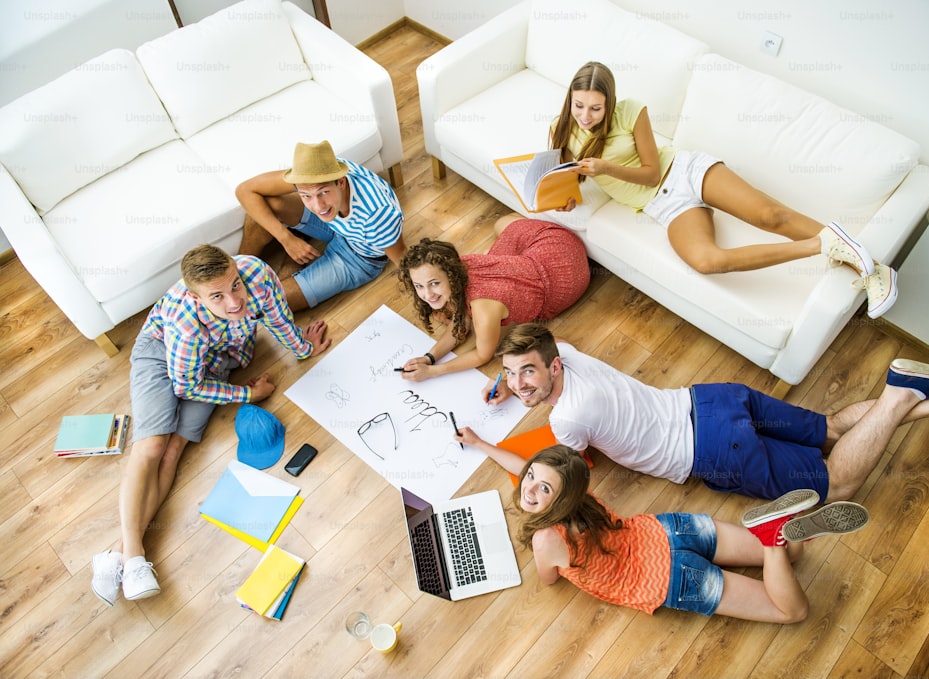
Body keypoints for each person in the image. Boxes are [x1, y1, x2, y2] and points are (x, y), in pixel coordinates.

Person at [481, 323, 929, 503]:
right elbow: (535, 370)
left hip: (710, 451)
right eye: (511, 373)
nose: (519, 383)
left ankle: (901, 392)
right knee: (831, 428)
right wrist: (511, 382)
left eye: (527, 372)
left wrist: (485, 446)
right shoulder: (565, 349)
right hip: (712, 399)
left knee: (836, 484)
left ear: (550, 365)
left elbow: (554, 475)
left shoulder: (569, 421)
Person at [550, 61, 896, 319]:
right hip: (665, 208)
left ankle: (876, 272)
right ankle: (820, 244)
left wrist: (607, 167)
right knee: (706, 261)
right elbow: (571, 180)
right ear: (570, 99)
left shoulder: (630, 111)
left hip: (683, 173)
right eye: (579, 105)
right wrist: (566, 200)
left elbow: (652, 173)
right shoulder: (562, 128)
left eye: (595, 108)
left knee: (770, 215)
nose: (585, 116)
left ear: (609, 102)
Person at [90, 245, 332, 606]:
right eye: (217, 296)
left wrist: (302, 349)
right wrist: (247, 396)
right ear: (195, 296)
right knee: (152, 447)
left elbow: (279, 319)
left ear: (238, 269)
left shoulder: (257, 274)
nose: (234, 302)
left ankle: (117, 554)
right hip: (162, 355)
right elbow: (184, 385)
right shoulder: (186, 326)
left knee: (174, 450)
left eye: (235, 285)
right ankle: (135, 555)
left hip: (215, 362)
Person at [453, 443, 869, 622]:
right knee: (799, 558)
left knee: (792, 611)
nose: (529, 487)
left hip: (671, 579)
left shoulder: (547, 540)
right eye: (530, 479)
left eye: (541, 487)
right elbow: (533, 466)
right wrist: (482, 444)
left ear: (560, 497)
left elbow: (548, 578)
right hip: (673, 529)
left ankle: (775, 541)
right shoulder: (578, 492)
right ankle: (780, 537)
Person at [396, 215, 590, 380]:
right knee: (502, 223)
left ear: (450, 274)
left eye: (434, 283)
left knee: (502, 225)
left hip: (563, 274)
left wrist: (433, 371)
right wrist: (429, 357)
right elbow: (460, 322)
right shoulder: (458, 266)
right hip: (544, 248)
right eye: (419, 286)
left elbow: (482, 355)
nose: (427, 295)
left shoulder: (484, 306)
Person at [236, 140, 405, 311]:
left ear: (341, 182)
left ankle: (293, 259)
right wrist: (287, 239)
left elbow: (405, 263)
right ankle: (235, 273)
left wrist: (430, 300)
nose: (318, 206)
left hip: (359, 257)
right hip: (335, 225)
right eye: (306, 195)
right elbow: (245, 190)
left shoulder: (378, 216)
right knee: (261, 208)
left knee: (268, 303)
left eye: (323, 193)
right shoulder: (314, 174)